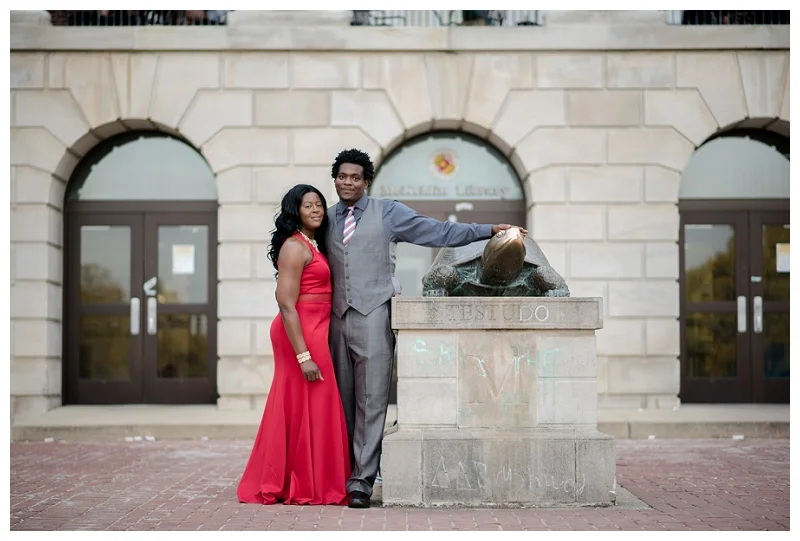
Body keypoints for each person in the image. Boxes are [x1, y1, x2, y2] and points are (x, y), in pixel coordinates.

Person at [325, 149, 526, 508]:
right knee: (341, 402)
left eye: (355, 177)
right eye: (342, 177)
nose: (348, 182)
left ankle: (361, 483)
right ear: (335, 180)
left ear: (366, 182)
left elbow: (437, 230)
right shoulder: (325, 218)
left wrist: (487, 230)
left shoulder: (388, 212)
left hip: (373, 315)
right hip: (335, 320)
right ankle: (342, 471)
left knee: (371, 402)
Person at [237, 184, 350, 506]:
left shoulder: (313, 243)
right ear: (295, 211)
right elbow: (286, 304)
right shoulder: (293, 247)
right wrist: (303, 356)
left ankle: (311, 481)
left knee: (312, 406)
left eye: (319, 204)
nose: (316, 210)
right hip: (299, 332)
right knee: (307, 403)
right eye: (307, 205)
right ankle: (302, 484)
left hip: (316, 328)